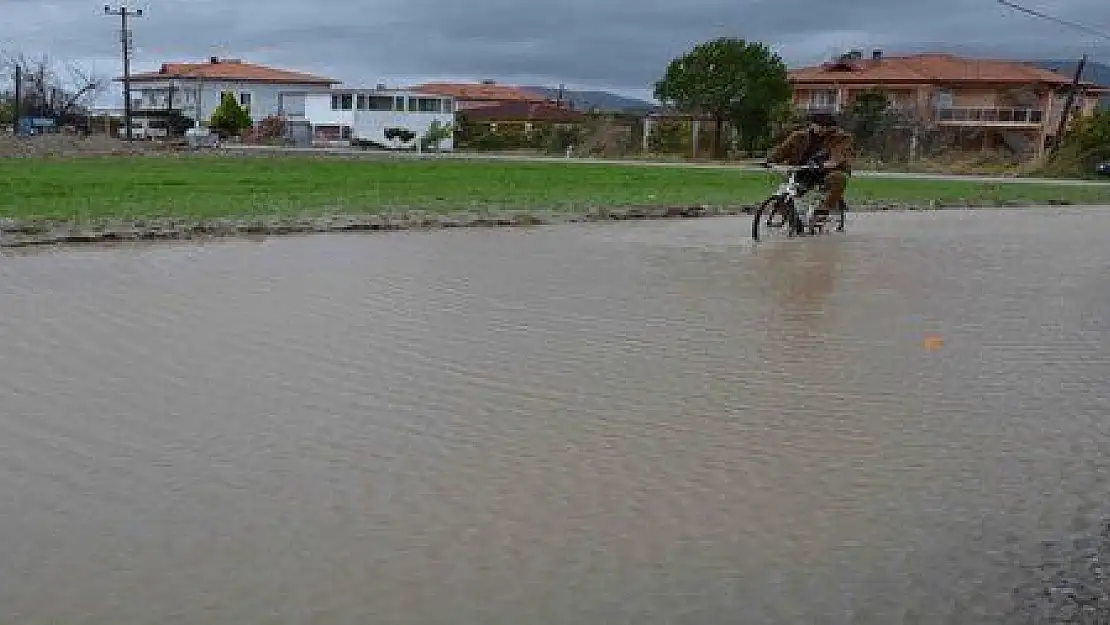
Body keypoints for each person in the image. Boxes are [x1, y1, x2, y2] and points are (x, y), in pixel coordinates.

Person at [763, 112, 854, 224]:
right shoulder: (798, 136)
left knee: (839, 178)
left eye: (826, 127)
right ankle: (795, 222)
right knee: (784, 196)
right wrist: (769, 161)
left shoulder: (841, 138)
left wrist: (831, 163)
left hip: (827, 171)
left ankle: (824, 209)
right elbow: (782, 151)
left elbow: (840, 154)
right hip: (803, 170)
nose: (823, 129)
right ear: (812, 124)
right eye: (820, 126)